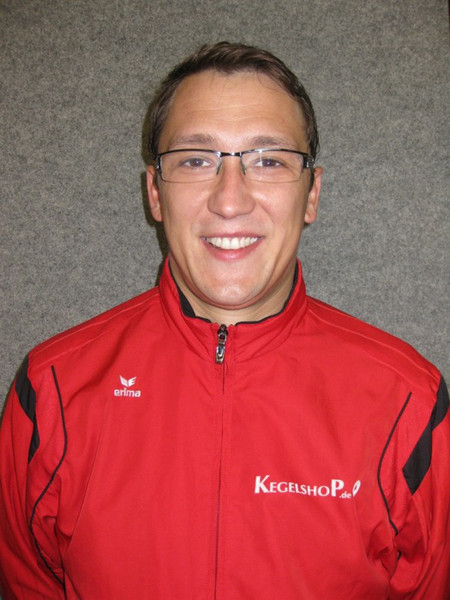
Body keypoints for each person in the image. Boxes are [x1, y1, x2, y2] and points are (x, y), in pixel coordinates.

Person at [0, 42, 448, 600]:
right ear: (154, 193)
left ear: (311, 193)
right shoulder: (51, 392)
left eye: (268, 160)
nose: (229, 200)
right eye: (195, 160)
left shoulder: (408, 403)